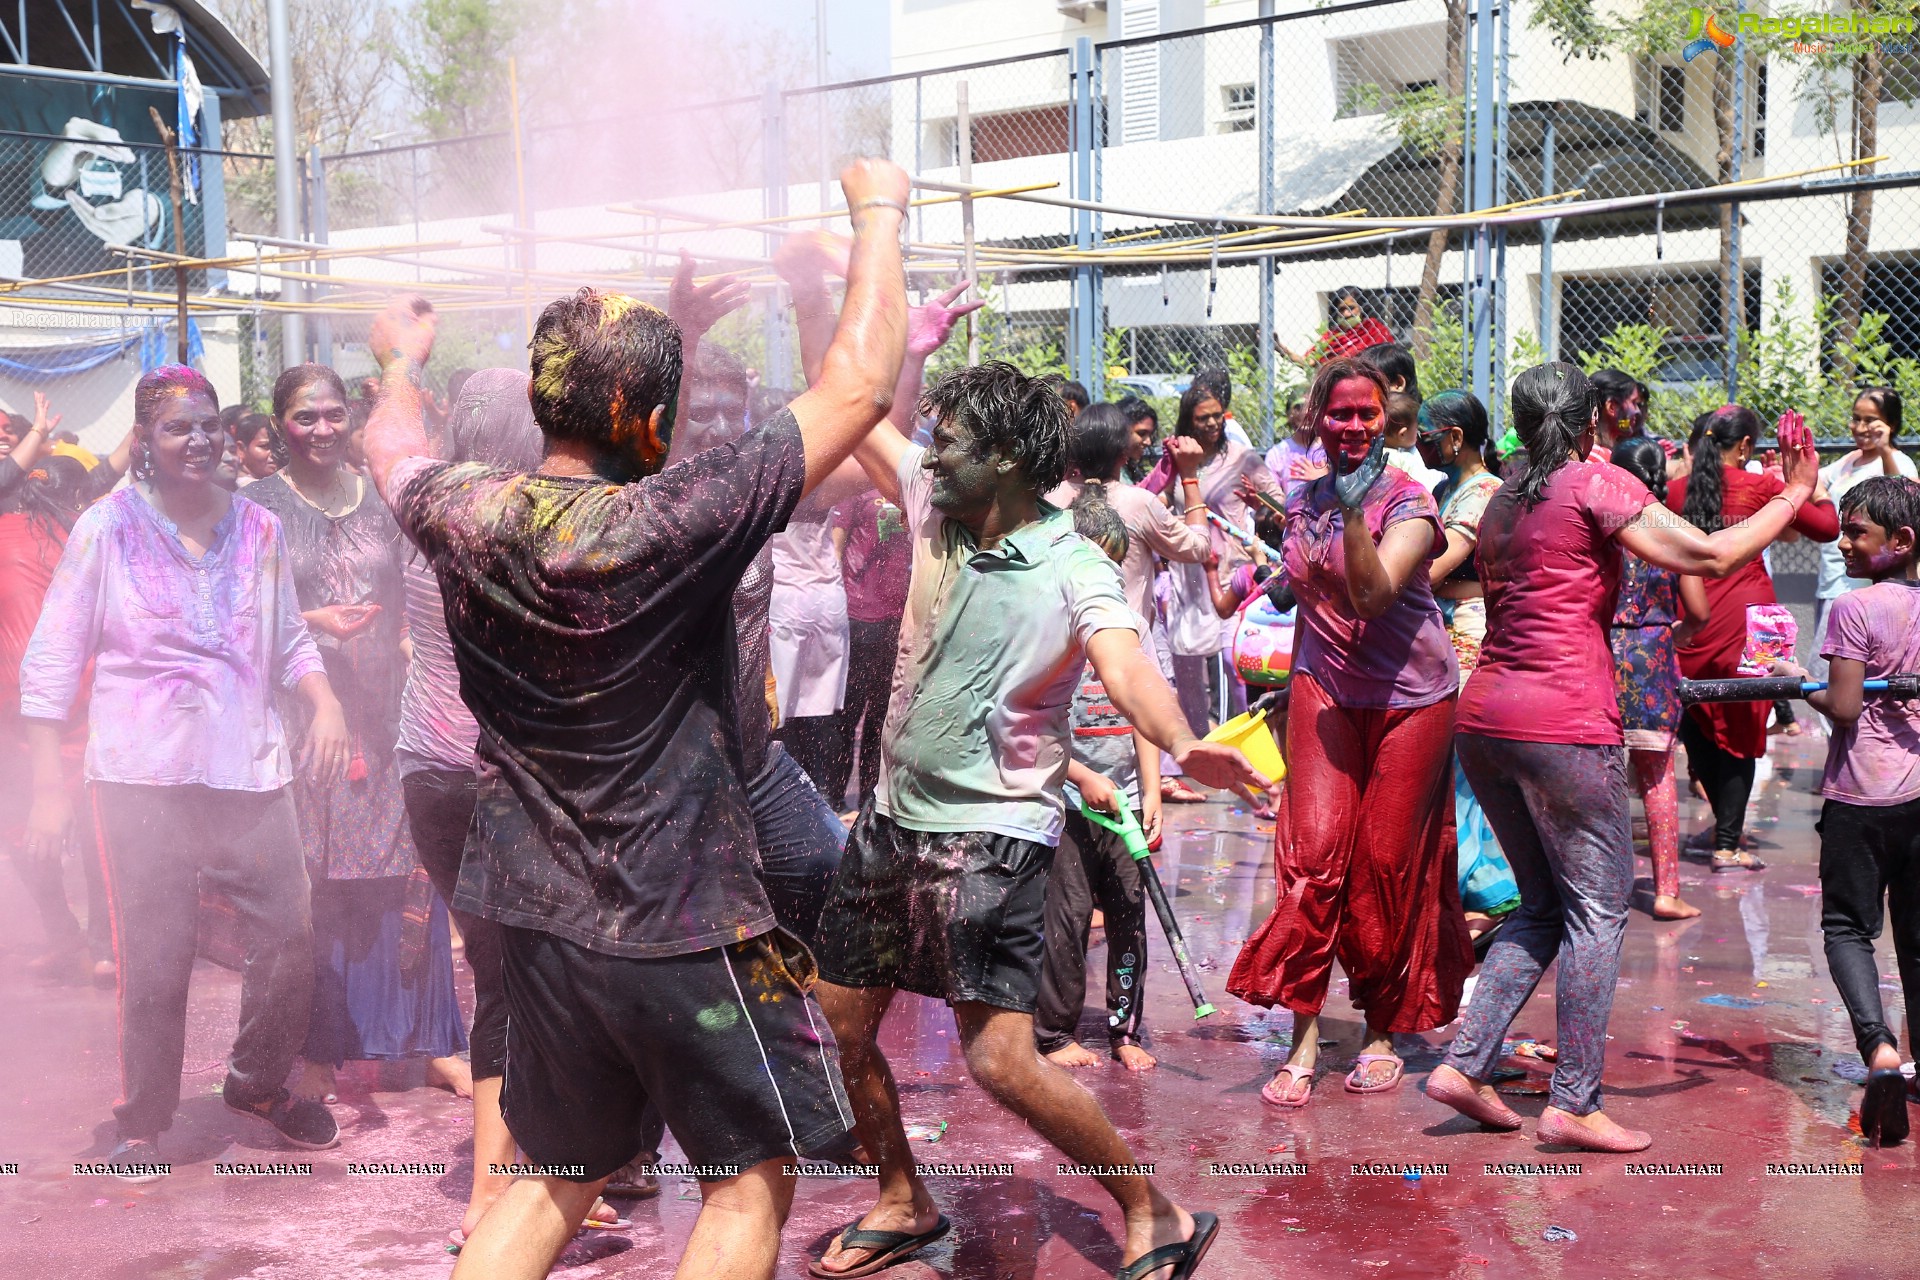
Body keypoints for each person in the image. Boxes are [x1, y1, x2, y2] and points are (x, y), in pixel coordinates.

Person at [366, 157, 913, 1280]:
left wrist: (396, 365)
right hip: (687, 916)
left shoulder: (463, 510)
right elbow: (859, 389)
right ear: (656, 423)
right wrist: (879, 213)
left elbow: (391, 449)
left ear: (541, 403)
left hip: (542, 919)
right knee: (748, 1175)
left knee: (548, 1177)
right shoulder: (683, 516)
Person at [808, 359, 1272, 1280]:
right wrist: (838, 298)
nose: (933, 455)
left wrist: (1181, 742)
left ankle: (1158, 1208)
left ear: (1013, 456)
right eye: (935, 438)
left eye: (955, 441)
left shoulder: (1074, 565)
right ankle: (904, 1199)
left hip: (993, 834)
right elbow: (854, 405)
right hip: (895, 818)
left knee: (1000, 1062)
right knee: (841, 1018)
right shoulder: (935, 500)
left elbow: (1128, 668)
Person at [1426, 362, 1822, 1154]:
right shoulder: (1589, 482)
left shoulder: (1502, 497)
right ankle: (1574, 1100)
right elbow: (1707, 558)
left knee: (1541, 906)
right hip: (1563, 719)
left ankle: (1465, 1063)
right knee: (1597, 910)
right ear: (1586, 426)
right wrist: (1790, 495)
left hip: (1486, 718)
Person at [18, 365, 351, 1175]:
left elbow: (288, 640)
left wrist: (325, 701)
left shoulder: (258, 530)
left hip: (247, 766)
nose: (197, 439)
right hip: (141, 776)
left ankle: (256, 1084)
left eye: (207, 423)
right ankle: (144, 1119)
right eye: (177, 428)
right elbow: (54, 657)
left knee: (289, 933)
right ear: (146, 441)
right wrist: (46, 789)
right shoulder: (108, 526)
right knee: (156, 954)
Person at [1226, 358, 1471, 1108]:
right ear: (1316, 420)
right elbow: (1300, 580)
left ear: (1388, 422)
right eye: (1340, 415)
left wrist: (1355, 512)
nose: (1354, 427)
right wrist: (1258, 552)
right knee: (1312, 857)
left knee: (1386, 864)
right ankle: (1302, 1037)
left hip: (1412, 700)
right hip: (1324, 689)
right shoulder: (1303, 499)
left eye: (1368, 414)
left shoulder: (1412, 502)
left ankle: (1382, 1029)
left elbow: (1368, 597)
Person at [246, 365, 470, 1105]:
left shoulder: (381, 501)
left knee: (410, 874)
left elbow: (412, 592)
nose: (320, 429)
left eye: (332, 414)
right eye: (303, 416)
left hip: (387, 712)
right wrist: (313, 622)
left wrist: (414, 645)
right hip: (308, 719)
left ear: (351, 418)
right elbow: (237, 612)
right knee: (322, 883)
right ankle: (320, 1052)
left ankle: (431, 1042)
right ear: (280, 423)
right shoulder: (259, 508)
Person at [392, 367, 562, 1247]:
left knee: (503, 970)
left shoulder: (422, 506)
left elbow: (389, 441)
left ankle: (546, 1173)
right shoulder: (546, 525)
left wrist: (396, 364)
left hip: (430, 772)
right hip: (503, 779)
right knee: (525, 978)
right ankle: (501, 1194)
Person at [1788, 475, 1920, 1147]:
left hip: (1861, 795)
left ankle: (1880, 1051)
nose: (1841, 542)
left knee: (1847, 928)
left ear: (1900, 542)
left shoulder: (1854, 608)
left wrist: (1804, 685)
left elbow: (1843, 708)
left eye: (1856, 532)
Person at [1667, 405, 1837, 871]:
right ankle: (1726, 843)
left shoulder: (1674, 492)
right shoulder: (1763, 488)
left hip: (1692, 622)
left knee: (1697, 716)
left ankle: (1723, 828)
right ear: (1745, 447)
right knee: (1743, 733)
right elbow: (1828, 529)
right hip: (1749, 624)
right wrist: (1808, 482)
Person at [1034, 487, 1161, 1073]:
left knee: (1130, 918)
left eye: (1115, 565)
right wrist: (1081, 776)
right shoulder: (1047, 628)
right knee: (1068, 917)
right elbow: (1033, 728)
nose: (1105, 576)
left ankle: (1123, 1029)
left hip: (1124, 800)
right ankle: (1055, 1033)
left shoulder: (1128, 625)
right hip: (1065, 800)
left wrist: (1152, 790)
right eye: (1095, 563)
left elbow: (1145, 709)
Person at [0, 394, 111, 981]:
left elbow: (101, 476)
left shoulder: (73, 525)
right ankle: (62, 932)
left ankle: (105, 941)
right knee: (19, 828)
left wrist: (138, 434)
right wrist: (34, 433)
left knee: (97, 825)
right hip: (9, 713)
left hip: (80, 700)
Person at [1414, 391, 1519, 939]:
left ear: (1456, 438)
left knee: (1457, 769)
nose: (1419, 443)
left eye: (1428, 435)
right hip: (1443, 632)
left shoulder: (1484, 494)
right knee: (1448, 770)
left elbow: (1429, 571)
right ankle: (1479, 889)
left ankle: (1453, 891)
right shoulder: (1441, 490)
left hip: (1470, 636)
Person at [1608, 437, 1709, 921]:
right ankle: (1667, 890)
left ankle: (1599, 886)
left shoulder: (1601, 528)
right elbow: (1701, 613)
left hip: (1599, 650)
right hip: (1654, 653)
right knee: (1658, 774)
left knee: (1599, 773)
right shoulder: (1675, 531)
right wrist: (1675, 635)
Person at [1811, 387, 1917, 683]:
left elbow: (1906, 501)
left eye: (1870, 420)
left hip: (1860, 584)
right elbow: (1812, 481)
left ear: (1891, 424)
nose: (1860, 427)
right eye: (1856, 418)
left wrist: (1885, 449)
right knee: (1830, 668)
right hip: (1832, 575)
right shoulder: (1850, 460)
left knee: (1842, 674)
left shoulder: (1897, 460)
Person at [832, 487, 911, 812]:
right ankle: (834, 798)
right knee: (848, 712)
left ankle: (869, 800)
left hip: (899, 617)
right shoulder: (858, 484)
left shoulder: (913, 481)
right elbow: (836, 551)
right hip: (858, 612)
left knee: (882, 717)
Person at [1277, 285, 1395, 366]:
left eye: (1351, 308)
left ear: (1362, 308)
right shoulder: (1332, 337)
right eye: (1342, 309)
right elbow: (1308, 362)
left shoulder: (1374, 330)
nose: (1346, 314)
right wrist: (1281, 348)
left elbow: (1387, 360)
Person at [1264, 390, 1326, 498]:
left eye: (1312, 406)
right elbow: (1273, 499)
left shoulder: (1331, 450)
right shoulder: (1277, 455)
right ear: (1288, 414)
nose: (1306, 412)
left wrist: (1323, 480)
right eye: (1299, 407)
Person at [1383, 390, 1445, 492]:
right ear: (1402, 434)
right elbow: (1426, 488)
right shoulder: (1406, 460)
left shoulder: (1371, 456)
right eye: (1418, 429)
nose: (1419, 433)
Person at [1588, 368, 1641, 454]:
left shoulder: (1583, 451)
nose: (1637, 411)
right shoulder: (1598, 459)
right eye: (1633, 402)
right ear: (1612, 407)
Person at [1117, 395, 1159, 483]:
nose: (1148, 442)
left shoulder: (1128, 470)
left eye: (1150, 435)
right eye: (1141, 433)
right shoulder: (1107, 473)